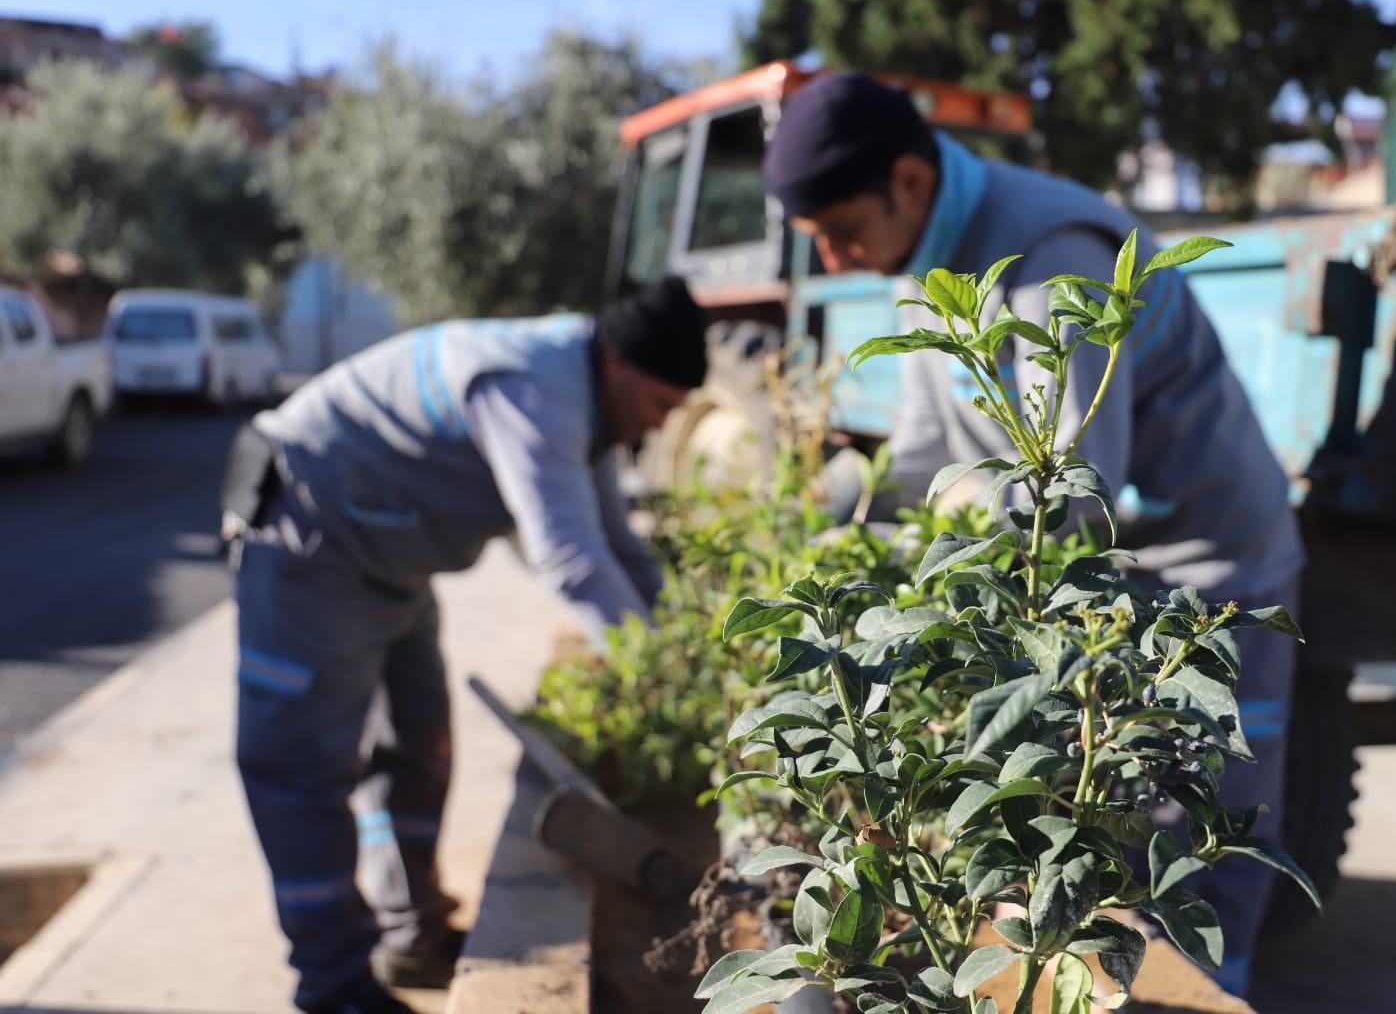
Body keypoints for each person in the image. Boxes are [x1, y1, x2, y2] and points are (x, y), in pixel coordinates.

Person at [763, 71, 1303, 998]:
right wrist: (826, 511)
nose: (841, 258)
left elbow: (1074, 492)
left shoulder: (1051, 258)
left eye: (842, 230)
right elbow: (929, 458)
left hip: (1210, 570)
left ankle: (1226, 990)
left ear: (910, 182)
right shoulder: (929, 275)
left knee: (1198, 839)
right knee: (1095, 839)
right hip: (1105, 576)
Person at [220, 277, 708, 1014]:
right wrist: (669, 682)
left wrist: (693, 649)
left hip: (388, 560)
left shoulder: (588, 397)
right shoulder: (531, 386)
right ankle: (332, 985)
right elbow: (570, 556)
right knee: (301, 768)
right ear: (621, 365)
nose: (655, 426)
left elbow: (618, 548)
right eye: (661, 405)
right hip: (309, 533)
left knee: (419, 743)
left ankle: (411, 932)